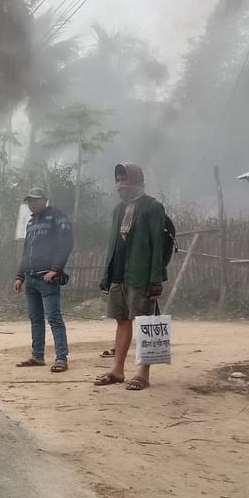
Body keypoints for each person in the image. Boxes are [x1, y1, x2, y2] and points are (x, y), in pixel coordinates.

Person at [95, 163, 166, 391]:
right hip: (119, 275)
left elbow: (158, 246)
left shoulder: (153, 207)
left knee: (147, 323)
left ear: (136, 180)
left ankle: (143, 373)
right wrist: (107, 274)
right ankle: (117, 370)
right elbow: (112, 244)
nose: (120, 185)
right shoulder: (118, 210)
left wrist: (156, 279)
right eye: (117, 180)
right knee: (122, 320)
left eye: (125, 179)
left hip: (141, 275)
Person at [14, 187, 74, 373]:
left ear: (45, 200)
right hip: (30, 278)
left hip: (47, 279)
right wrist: (19, 275)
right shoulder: (31, 222)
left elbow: (67, 242)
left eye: (36, 200)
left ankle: (61, 358)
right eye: (30, 201)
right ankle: (37, 355)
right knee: (35, 319)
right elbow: (26, 250)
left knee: (54, 318)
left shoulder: (57, 216)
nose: (32, 204)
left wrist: (55, 269)